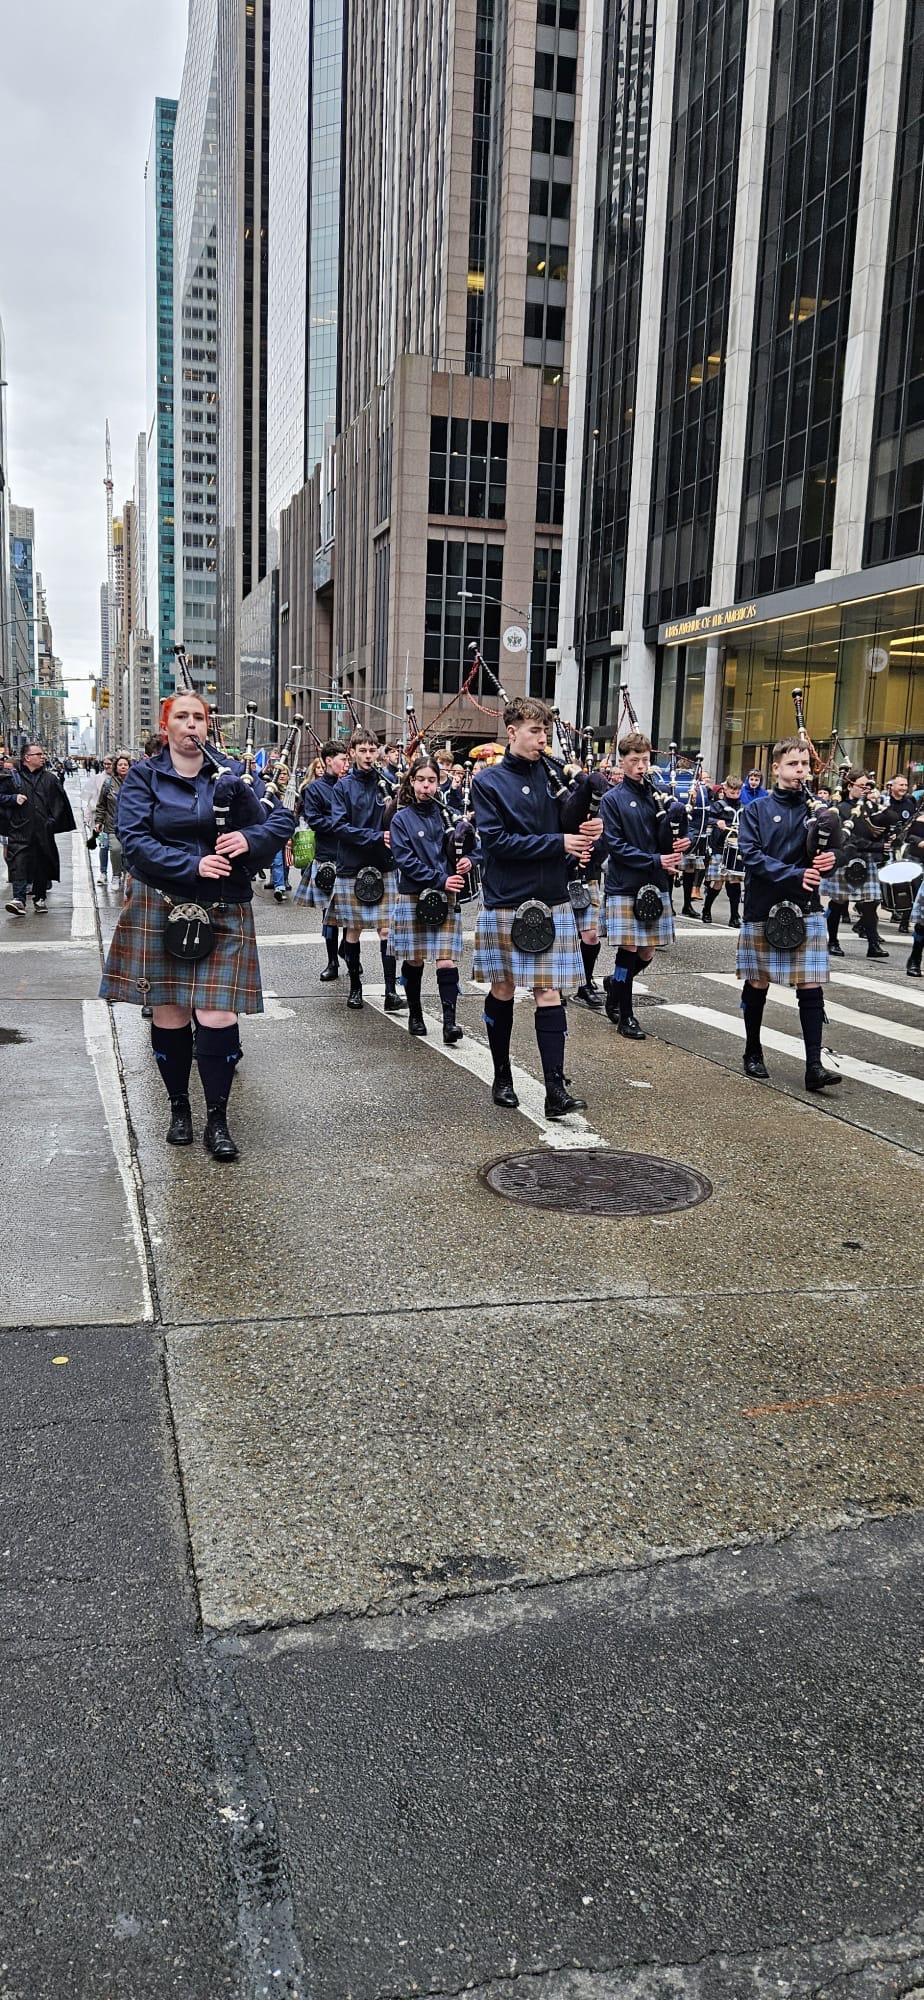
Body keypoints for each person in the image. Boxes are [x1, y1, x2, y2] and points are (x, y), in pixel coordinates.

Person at [99, 691, 294, 1161]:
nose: (192, 725)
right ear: (166, 726)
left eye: (199, 718)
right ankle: (179, 1107)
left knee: (218, 1015)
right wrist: (193, 863)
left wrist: (248, 838)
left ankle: (218, 1119)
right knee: (170, 1013)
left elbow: (281, 819)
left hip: (223, 907)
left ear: (209, 726)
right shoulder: (145, 777)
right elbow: (136, 841)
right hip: (160, 903)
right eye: (182, 717)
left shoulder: (229, 774)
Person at [471, 695, 599, 1117]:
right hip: (507, 898)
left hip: (552, 897)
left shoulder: (552, 776)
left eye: (545, 731)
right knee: (503, 989)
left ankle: (554, 1090)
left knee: (550, 993)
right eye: (534, 731)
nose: (542, 739)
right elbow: (496, 843)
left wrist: (588, 812)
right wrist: (558, 843)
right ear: (512, 732)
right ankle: (502, 1074)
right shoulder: (488, 783)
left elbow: (568, 824)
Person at [736, 735, 840, 1091]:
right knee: (757, 981)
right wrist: (797, 874)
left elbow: (829, 853)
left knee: (810, 984)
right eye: (793, 765)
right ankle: (752, 1050)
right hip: (764, 905)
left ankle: (814, 1065)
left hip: (806, 906)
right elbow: (752, 856)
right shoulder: (756, 811)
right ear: (776, 768)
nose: (801, 771)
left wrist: (830, 859)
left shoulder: (818, 811)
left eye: (805, 765)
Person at [598, 731, 689, 1037]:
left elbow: (668, 837)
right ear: (621, 762)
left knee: (647, 953)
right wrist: (656, 860)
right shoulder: (612, 800)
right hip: (626, 883)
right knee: (629, 948)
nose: (640, 766)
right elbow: (615, 845)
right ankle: (626, 1015)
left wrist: (681, 841)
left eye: (645, 760)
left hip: (655, 882)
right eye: (634, 760)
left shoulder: (658, 795)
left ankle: (615, 983)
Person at [387, 753, 472, 1041]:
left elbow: (477, 844)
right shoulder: (401, 819)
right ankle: (415, 1012)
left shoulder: (448, 814)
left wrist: (469, 859)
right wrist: (441, 878)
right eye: (421, 780)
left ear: (439, 782)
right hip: (415, 894)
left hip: (446, 895)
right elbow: (404, 860)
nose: (427, 786)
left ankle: (450, 1023)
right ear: (412, 782)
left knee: (446, 961)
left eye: (432, 781)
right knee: (414, 960)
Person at [328, 728, 406, 1012]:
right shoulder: (342, 788)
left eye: (372, 750)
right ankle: (355, 987)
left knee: (387, 931)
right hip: (352, 867)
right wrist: (376, 837)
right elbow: (339, 826)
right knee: (353, 931)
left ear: (378, 753)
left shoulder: (386, 783)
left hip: (383, 864)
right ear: (352, 753)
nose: (368, 755)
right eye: (362, 750)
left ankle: (389, 992)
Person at [295, 738, 349, 978]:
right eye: (342, 759)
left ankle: (347, 951)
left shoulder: (349, 785)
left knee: (351, 912)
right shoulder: (314, 789)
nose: (346, 763)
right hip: (327, 857)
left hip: (349, 856)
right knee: (329, 915)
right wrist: (342, 827)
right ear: (329, 761)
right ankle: (332, 963)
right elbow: (314, 820)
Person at [824, 768, 890, 960]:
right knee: (838, 902)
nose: (864, 789)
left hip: (867, 858)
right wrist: (877, 846)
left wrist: (886, 834)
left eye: (867, 786)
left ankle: (873, 944)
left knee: (870, 904)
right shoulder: (840, 808)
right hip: (847, 858)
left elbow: (875, 830)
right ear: (849, 785)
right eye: (861, 785)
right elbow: (848, 838)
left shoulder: (869, 806)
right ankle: (833, 941)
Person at [4, 743, 76, 916]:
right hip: (19, 829)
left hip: (42, 831)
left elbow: (59, 804)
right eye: (39, 754)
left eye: (43, 754)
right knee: (18, 862)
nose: (43, 757)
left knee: (41, 864)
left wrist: (51, 822)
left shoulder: (50, 779)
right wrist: (13, 798)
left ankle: (39, 898)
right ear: (27, 757)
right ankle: (19, 899)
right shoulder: (12, 778)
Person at [702, 775, 743, 926]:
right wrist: (716, 822)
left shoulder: (742, 806)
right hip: (719, 847)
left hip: (734, 848)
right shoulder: (718, 805)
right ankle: (706, 909)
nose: (735, 794)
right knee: (717, 882)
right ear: (725, 789)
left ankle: (734, 915)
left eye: (737, 792)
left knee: (734, 882)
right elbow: (707, 818)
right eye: (732, 791)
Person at [93, 753, 133, 893]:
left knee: (129, 852)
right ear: (116, 767)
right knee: (115, 849)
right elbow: (101, 805)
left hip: (131, 825)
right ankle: (116, 875)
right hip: (112, 825)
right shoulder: (108, 783)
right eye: (120, 765)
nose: (123, 767)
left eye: (125, 765)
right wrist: (98, 821)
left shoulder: (135, 782)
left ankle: (128, 875)